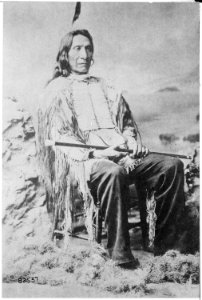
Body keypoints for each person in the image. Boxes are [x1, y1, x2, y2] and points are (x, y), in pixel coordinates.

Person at [37, 29, 185, 267]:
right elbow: (61, 136)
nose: (84, 54)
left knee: (171, 166)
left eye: (88, 48)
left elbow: (126, 125)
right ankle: (120, 255)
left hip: (122, 155)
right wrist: (97, 152)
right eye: (77, 48)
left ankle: (167, 249)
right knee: (111, 172)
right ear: (65, 54)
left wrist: (132, 141)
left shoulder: (107, 87)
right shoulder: (58, 90)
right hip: (84, 161)